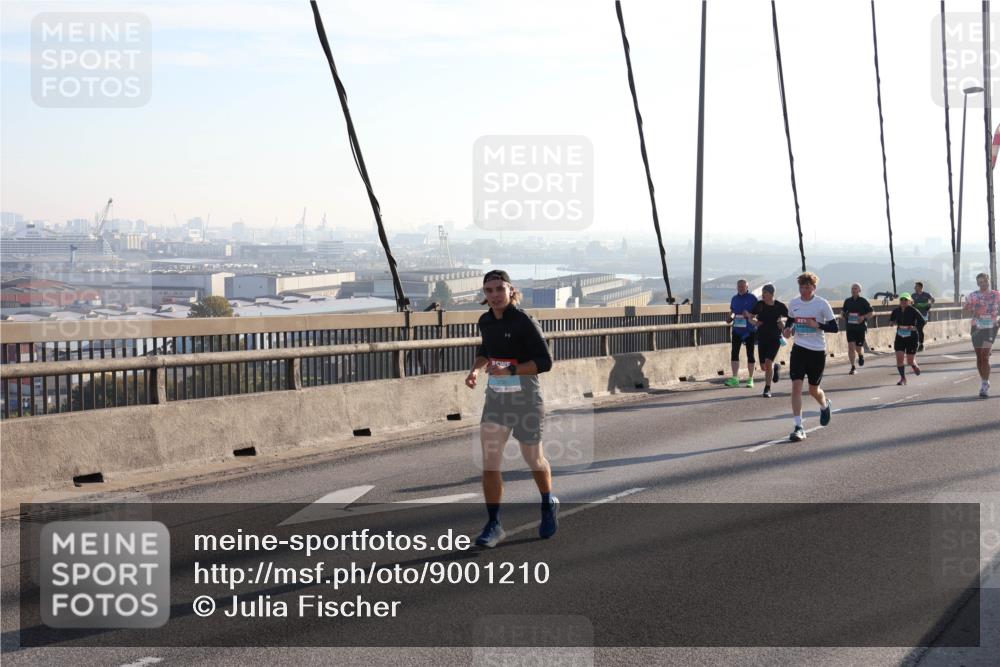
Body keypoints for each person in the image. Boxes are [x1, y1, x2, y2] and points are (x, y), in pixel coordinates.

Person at [465, 270, 557, 548]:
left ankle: (548, 503)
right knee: (490, 461)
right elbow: (486, 350)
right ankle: (494, 524)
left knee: (534, 460)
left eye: (499, 289)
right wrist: (475, 370)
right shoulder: (485, 321)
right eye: (489, 290)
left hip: (527, 399)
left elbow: (545, 361)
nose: (494, 295)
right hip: (497, 399)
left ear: (511, 290)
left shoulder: (524, 321)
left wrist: (511, 370)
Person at [783, 272, 838, 442]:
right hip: (799, 349)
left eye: (807, 287)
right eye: (802, 287)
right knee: (796, 387)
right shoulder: (794, 303)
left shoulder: (822, 304)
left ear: (814, 288)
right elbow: (790, 321)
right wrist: (788, 330)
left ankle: (824, 405)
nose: (804, 291)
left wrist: (817, 325)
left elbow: (834, 327)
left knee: (813, 390)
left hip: (817, 351)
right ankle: (798, 427)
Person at [964, 272, 1000, 398]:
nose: (983, 284)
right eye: (980, 282)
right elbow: (965, 310)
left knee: (985, 356)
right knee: (979, 357)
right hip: (976, 328)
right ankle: (984, 380)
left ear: (988, 280)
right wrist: (970, 308)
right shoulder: (973, 295)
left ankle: (984, 386)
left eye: (984, 281)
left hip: (991, 327)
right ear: (977, 283)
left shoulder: (997, 295)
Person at [750, 284, 788, 398]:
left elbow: (791, 318)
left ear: (771, 294)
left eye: (765, 292)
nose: (763, 295)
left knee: (768, 361)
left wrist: (783, 324)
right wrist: (755, 322)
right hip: (762, 337)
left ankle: (767, 388)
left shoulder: (779, 306)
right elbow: (751, 317)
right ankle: (776, 366)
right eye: (762, 292)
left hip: (775, 338)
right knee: (763, 367)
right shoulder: (760, 305)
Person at [725, 279, 759, 388]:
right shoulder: (734, 298)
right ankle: (735, 378)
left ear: (747, 287)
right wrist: (730, 318)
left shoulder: (753, 298)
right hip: (737, 330)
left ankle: (750, 379)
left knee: (750, 354)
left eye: (743, 286)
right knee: (734, 353)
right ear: (737, 287)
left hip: (749, 330)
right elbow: (733, 312)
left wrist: (749, 315)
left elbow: (758, 314)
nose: (741, 288)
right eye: (739, 286)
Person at [889, 292, 924, 386]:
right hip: (900, 336)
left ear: (910, 301)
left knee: (909, 361)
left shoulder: (914, 311)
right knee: (899, 359)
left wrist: (915, 327)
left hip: (912, 337)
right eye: (902, 299)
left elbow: (922, 321)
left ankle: (914, 365)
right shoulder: (896, 311)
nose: (903, 301)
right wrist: (892, 323)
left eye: (906, 299)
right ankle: (903, 378)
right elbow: (892, 320)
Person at [840, 283, 874, 375]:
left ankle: (860, 355)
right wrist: (843, 315)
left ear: (859, 290)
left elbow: (871, 313)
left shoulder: (863, 301)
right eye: (852, 288)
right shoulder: (847, 301)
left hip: (860, 328)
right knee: (851, 347)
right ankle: (853, 367)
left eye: (855, 288)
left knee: (858, 348)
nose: (854, 290)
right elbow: (843, 312)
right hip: (850, 327)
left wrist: (863, 317)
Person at [912, 281, 935, 351]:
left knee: (919, 329)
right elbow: (910, 302)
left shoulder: (927, 294)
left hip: (924, 316)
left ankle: (921, 344)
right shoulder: (913, 295)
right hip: (915, 316)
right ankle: (917, 344)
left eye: (916, 286)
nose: (914, 288)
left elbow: (933, 300)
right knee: (915, 329)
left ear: (920, 287)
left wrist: (929, 305)